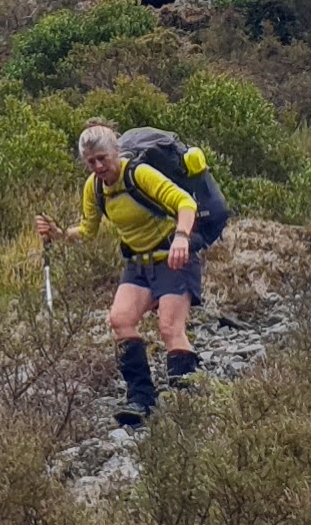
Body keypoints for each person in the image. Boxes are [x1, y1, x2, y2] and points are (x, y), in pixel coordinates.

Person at [35, 122, 228, 430]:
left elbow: (185, 203)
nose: (98, 166)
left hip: (173, 258)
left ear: (116, 152)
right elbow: (87, 230)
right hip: (138, 263)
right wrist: (58, 233)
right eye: (91, 161)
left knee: (169, 328)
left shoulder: (139, 174)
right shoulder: (94, 187)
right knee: (120, 320)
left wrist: (180, 237)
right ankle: (141, 397)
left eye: (102, 158)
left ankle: (189, 397)